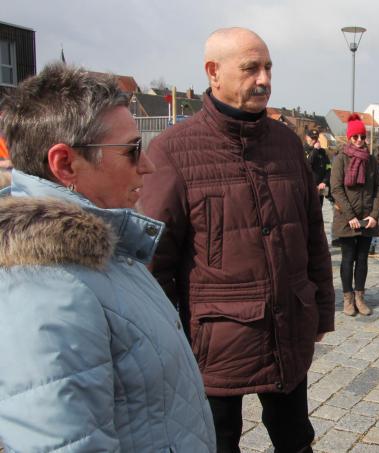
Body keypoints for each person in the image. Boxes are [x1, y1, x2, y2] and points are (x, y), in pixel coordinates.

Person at [0, 64, 215, 452]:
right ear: (65, 164)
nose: (147, 165)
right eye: (132, 150)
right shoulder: (48, 289)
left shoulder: (102, 248)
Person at [140, 28, 335, 453]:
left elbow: (312, 235)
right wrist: (169, 341)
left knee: (296, 438)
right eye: (250, 69)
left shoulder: (287, 144)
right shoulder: (173, 151)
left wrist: (320, 309)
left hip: (288, 327)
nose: (264, 79)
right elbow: (153, 264)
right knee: (217, 442)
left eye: (268, 67)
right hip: (215, 342)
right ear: (213, 72)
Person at [329, 113, 379, 316]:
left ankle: (360, 297)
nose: (359, 141)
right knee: (347, 259)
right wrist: (350, 215)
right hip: (346, 219)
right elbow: (336, 189)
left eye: (362, 137)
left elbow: (378, 189)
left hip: (367, 218)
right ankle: (348, 298)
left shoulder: (371, 160)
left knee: (363, 259)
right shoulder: (341, 159)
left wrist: (375, 215)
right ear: (349, 138)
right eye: (355, 137)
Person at [304, 129, 331, 206]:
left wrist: (324, 182)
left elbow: (328, 168)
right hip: (308, 188)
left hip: (320, 189)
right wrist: (315, 150)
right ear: (306, 137)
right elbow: (307, 165)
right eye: (312, 138)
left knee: (318, 212)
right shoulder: (302, 150)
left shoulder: (322, 152)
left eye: (316, 138)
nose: (314, 141)